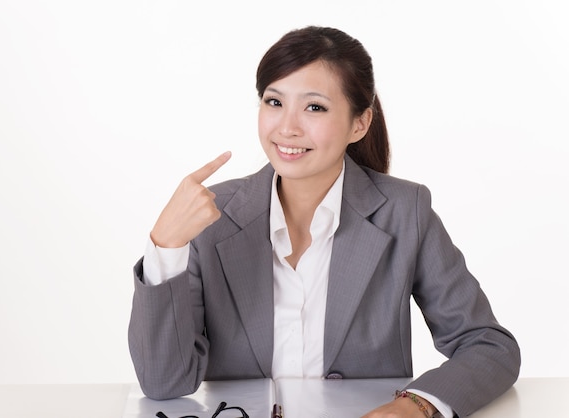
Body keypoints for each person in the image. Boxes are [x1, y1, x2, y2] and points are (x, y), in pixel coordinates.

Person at [128, 26, 520, 417]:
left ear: (359, 124)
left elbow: (488, 345)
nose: (287, 127)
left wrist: (415, 406)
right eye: (274, 102)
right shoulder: (213, 215)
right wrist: (166, 246)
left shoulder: (405, 211)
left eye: (314, 107)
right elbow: (165, 382)